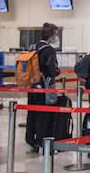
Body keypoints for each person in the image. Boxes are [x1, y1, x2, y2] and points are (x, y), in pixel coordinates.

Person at [24, 23, 62, 151]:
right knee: (44, 115)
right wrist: (57, 71)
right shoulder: (49, 50)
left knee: (32, 114)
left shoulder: (32, 47)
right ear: (51, 35)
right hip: (45, 87)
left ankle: (30, 142)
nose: (56, 37)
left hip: (32, 85)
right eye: (56, 34)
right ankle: (42, 144)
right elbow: (53, 70)